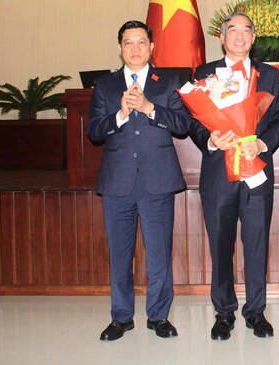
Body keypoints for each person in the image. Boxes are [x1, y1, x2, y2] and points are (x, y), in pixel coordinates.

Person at [87, 20, 191, 341]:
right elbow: (93, 131)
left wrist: (149, 108)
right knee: (120, 254)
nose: (135, 49)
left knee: (159, 253)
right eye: (128, 43)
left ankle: (158, 316)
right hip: (117, 182)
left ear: (151, 47)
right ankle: (121, 317)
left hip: (157, 180)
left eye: (141, 42)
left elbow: (183, 124)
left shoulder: (168, 81)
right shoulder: (105, 85)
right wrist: (118, 115)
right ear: (120, 48)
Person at [188, 12, 279, 340]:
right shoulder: (204, 73)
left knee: (257, 244)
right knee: (220, 244)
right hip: (219, 175)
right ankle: (224, 312)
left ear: (254, 38)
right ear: (222, 37)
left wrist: (262, 143)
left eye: (247, 30)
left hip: (256, 171)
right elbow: (193, 121)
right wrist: (210, 140)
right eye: (233, 29)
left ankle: (256, 311)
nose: (240, 35)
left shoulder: (269, 75)